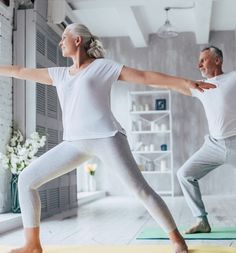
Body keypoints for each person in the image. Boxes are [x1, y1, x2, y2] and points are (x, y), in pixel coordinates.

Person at [0, 23, 215, 253]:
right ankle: (33, 245)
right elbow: (20, 71)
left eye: (64, 37)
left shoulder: (102, 67)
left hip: (107, 138)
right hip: (74, 144)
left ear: (78, 40)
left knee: (141, 191)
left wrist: (184, 83)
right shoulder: (59, 74)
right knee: (26, 180)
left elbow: (143, 76)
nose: (61, 42)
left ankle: (177, 241)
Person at [177, 45, 236, 234]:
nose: (198, 64)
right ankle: (201, 221)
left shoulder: (233, 78)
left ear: (217, 60)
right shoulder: (199, 87)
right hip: (213, 145)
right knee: (184, 174)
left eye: (203, 60)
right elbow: (170, 84)